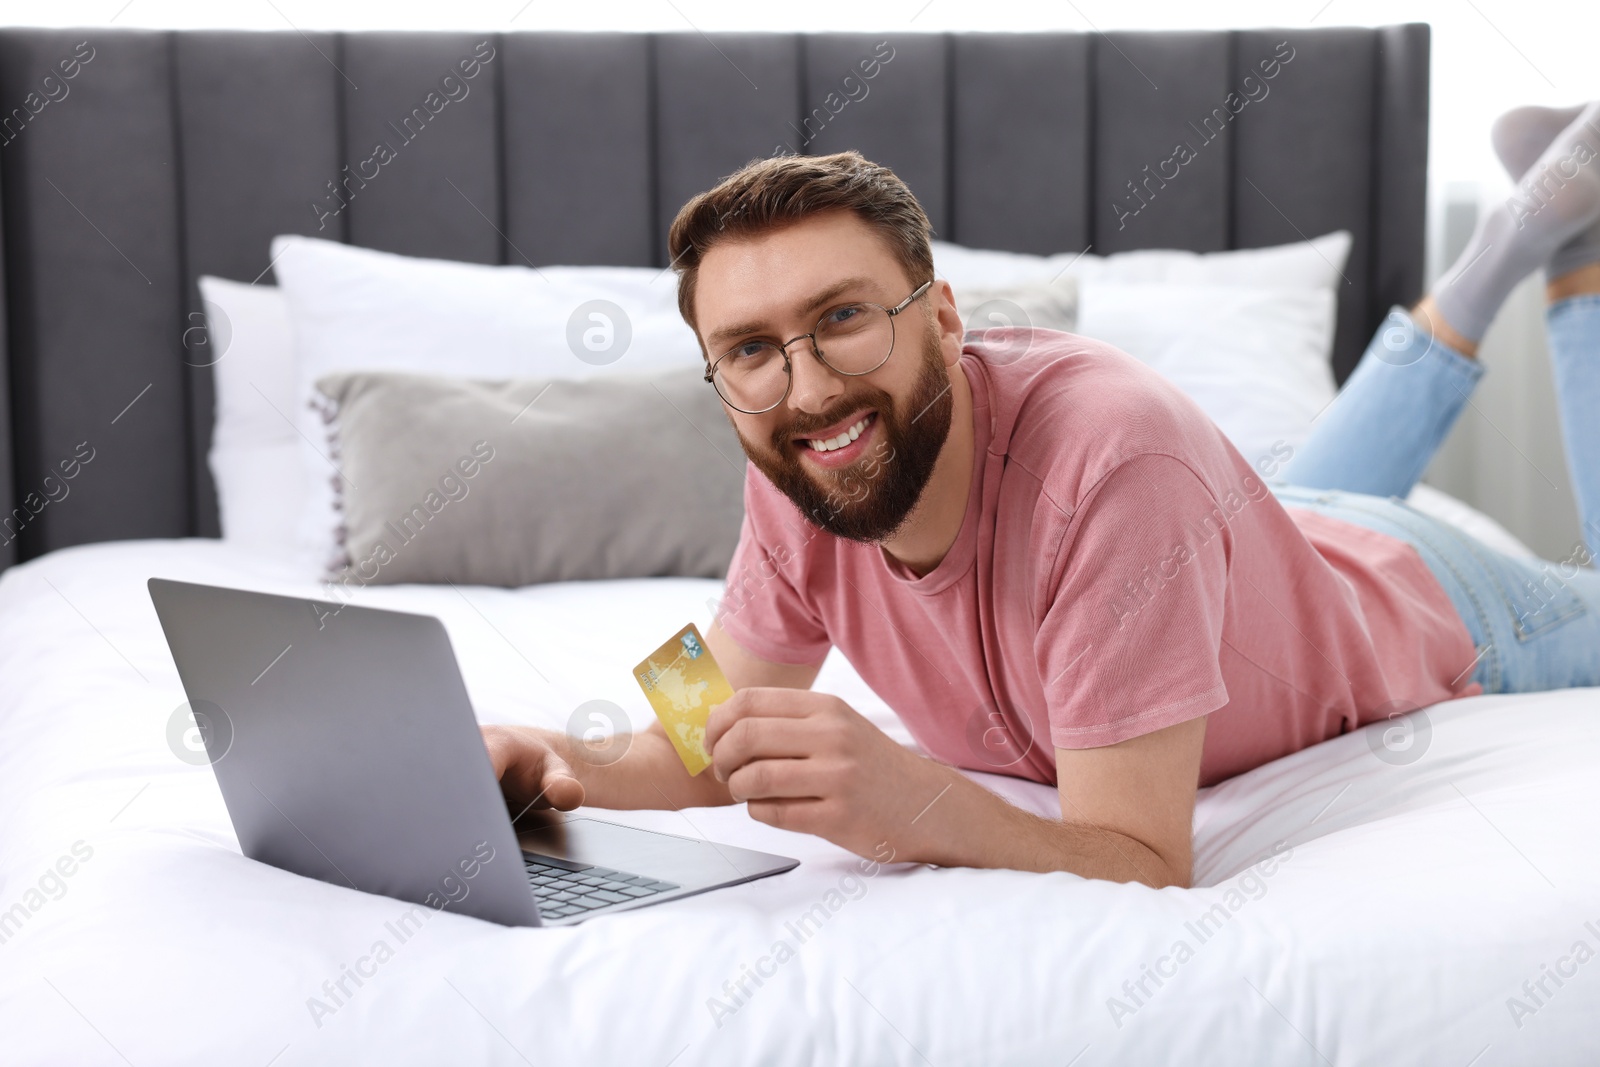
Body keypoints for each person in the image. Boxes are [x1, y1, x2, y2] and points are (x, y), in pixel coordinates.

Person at [483, 103, 1600, 889]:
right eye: (750, 349)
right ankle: (1501, 246)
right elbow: (694, 726)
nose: (809, 383)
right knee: (1298, 495)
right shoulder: (797, 460)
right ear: (722, 377)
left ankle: (1573, 261)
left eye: (842, 317)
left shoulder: (1115, 460)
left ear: (944, 317)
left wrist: (913, 799)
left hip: (1439, 601)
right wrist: (545, 753)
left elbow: (1142, 857)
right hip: (1266, 533)